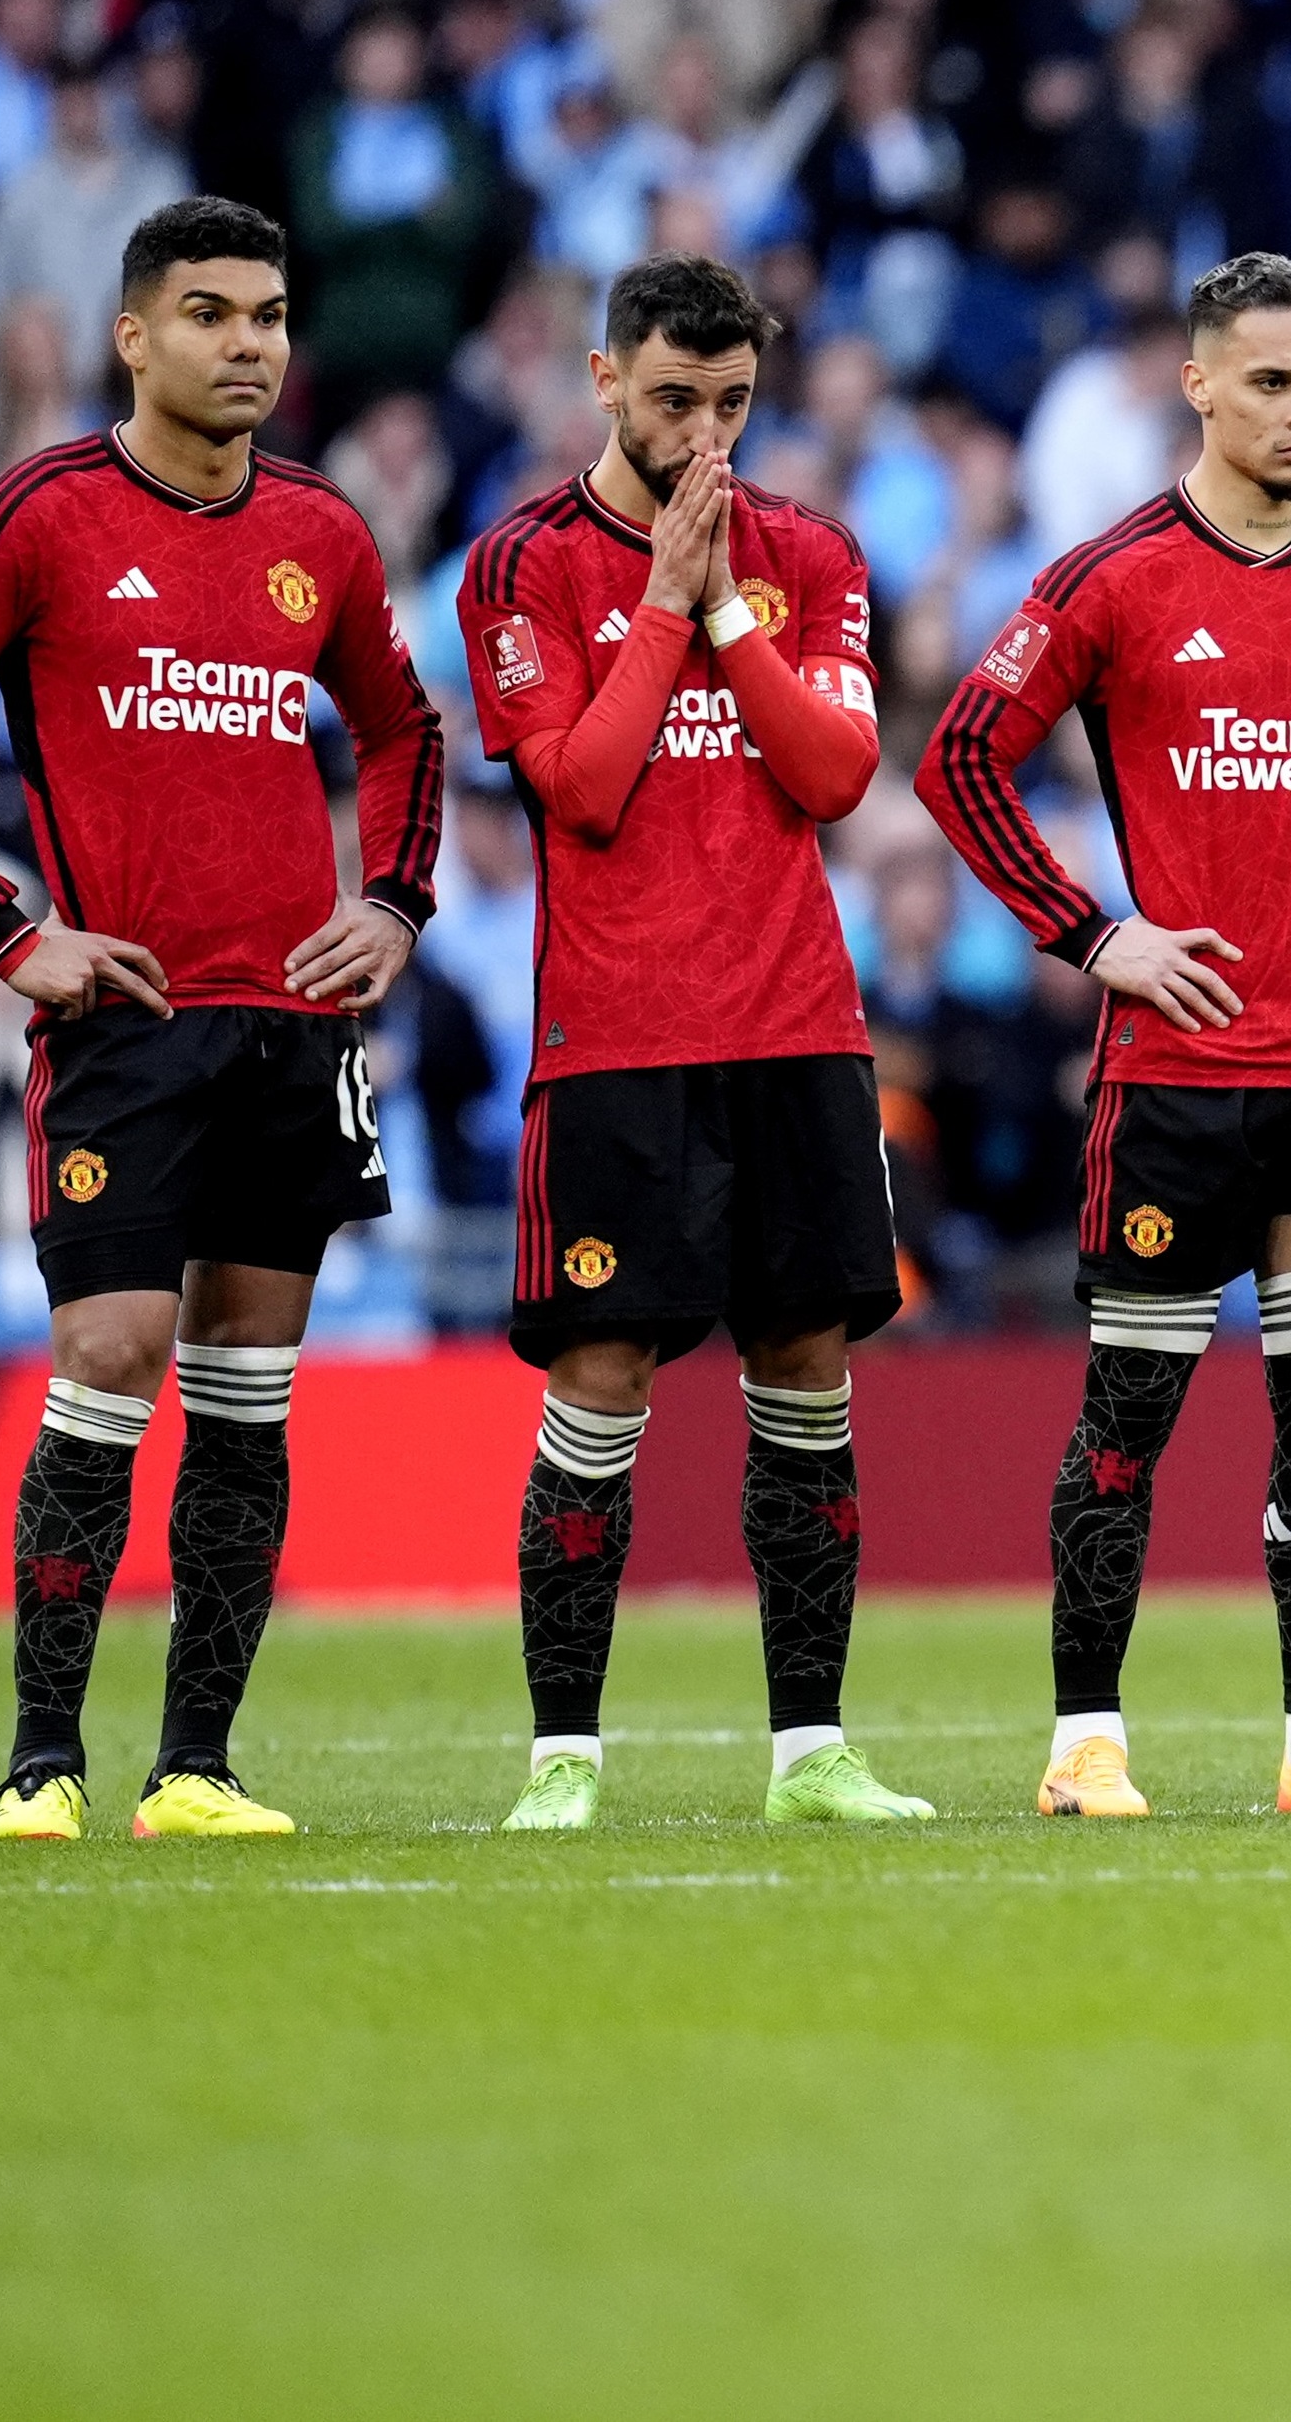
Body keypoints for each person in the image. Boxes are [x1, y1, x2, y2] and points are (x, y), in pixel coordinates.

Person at [0, 197, 447, 1841]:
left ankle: (197, 1769)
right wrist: (7, 929)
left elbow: (403, 730)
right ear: (133, 335)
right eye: (211, 315)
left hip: (292, 1026)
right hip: (125, 1022)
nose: (250, 344)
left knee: (251, 1381)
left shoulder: (319, 531)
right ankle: (43, 1761)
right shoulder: (38, 513)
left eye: (268, 314)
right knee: (113, 1354)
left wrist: (389, 901)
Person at [917, 253, 1291, 1821]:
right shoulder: (1111, 577)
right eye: (1268, 382)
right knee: (1132, 1418)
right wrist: (1094, 936)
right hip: (1177, 1075)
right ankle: (1082, 1744)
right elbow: (963, 756)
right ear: (1197, 385)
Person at [455, 255, 930, 1828]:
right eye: (674, 400)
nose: (706, 434)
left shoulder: (811, 552)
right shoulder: (521, 562)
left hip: (796, 1029)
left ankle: (812, 1754)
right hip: (619, 1043)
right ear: (604, 381)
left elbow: (835, 770)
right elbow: (580, 788)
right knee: (602, 1379)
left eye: (732, 402)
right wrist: (664, 599)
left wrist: (721, 597)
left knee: (805, 1372)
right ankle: (564, 1761)